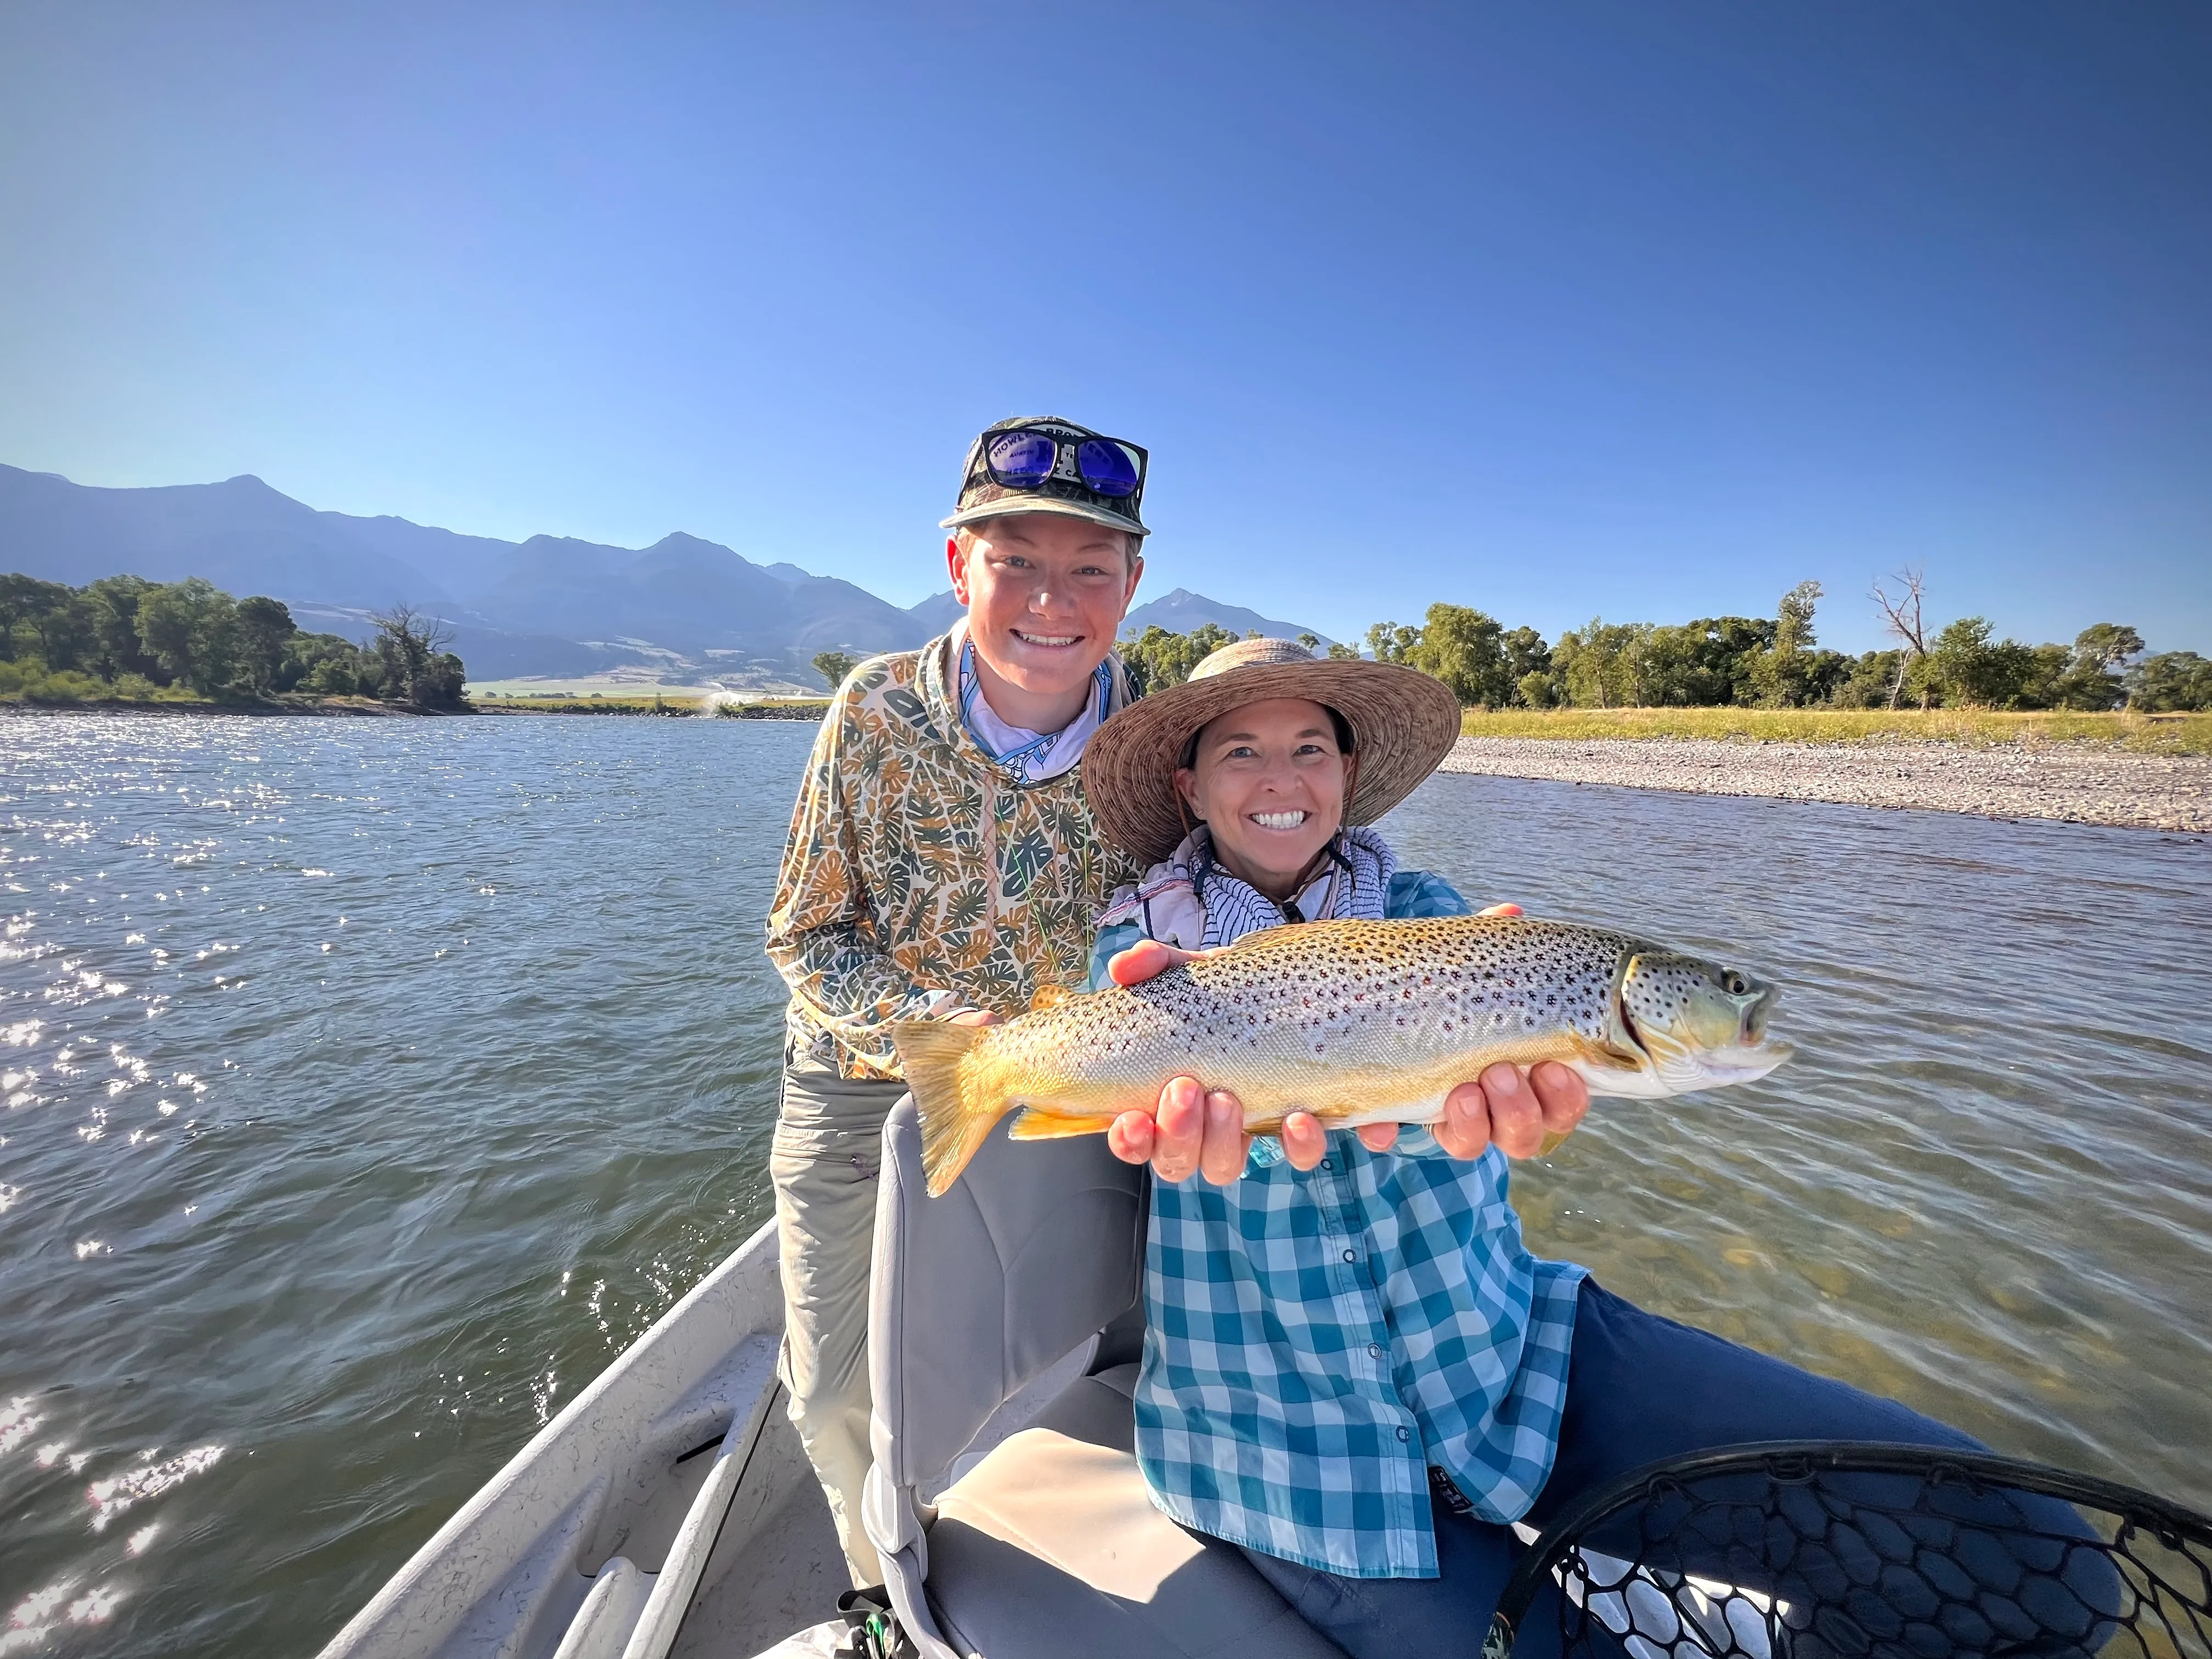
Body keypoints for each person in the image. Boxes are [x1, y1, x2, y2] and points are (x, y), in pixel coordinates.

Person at [1081, 638, 2097, 1658]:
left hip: (1510, 1363)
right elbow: (1133, 1125)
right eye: (1240, 753)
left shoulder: (1442, 920)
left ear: (1347, 773)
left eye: (1310, 747)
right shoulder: (1141, 964)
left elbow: (1461, 1127)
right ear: (1190, 786)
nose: (1281, 779)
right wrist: (1185, 1135)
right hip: (1284, 1453)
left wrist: (1488, 1123)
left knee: (2031, 1558)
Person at [764, 415, 1152, 1587]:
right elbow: (805, 928)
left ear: (1132, 584)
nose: (1053, 597)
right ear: (957, 567)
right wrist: (932, 1041)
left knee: (1115, 1338)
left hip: (1078, 1091)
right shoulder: (873, 713)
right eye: (1016, 561)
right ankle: (887, 1594)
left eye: (1091, 567)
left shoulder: (1159, 734)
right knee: (836, 1398)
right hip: (857, 1095)